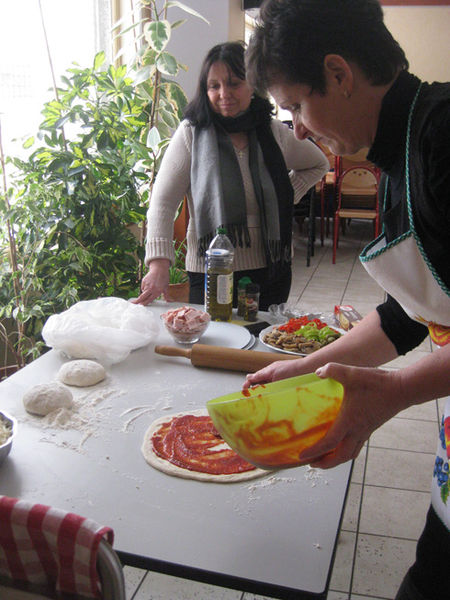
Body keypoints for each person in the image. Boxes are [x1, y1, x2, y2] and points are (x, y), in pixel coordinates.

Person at [244, 1, 450, 599]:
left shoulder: (442, 136)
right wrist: (308, 367)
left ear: (338, 73)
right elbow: (409, 316)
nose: (298, 130)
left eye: (296, 106)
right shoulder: (396, 153)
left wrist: (395, 392)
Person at [132, 41, 328, 310]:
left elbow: (318, 163)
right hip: (210, 269)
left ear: (253, 85)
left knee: (264, 335)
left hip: (270, 269)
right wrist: (158, 265)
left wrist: (283, 195)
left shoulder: (273, 132)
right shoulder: (191, 134)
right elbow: (162, 203)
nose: (224, 93)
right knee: (212, 336)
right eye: (214, 86)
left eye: (234, 83)